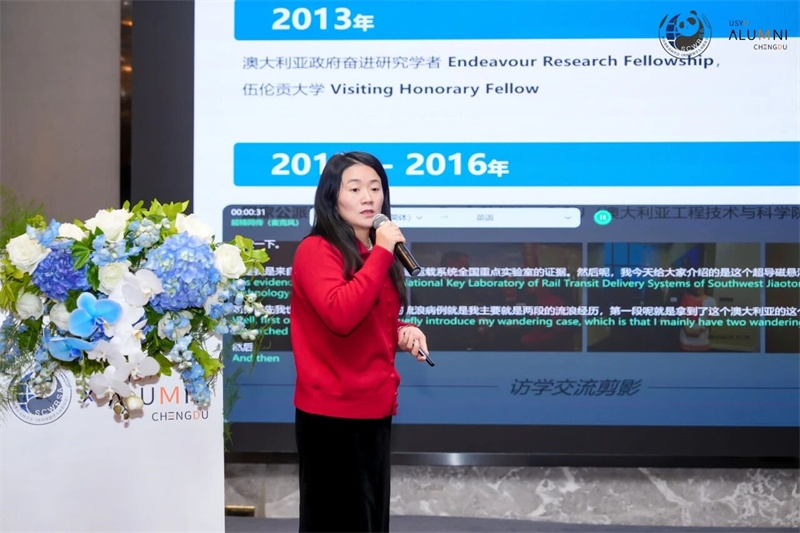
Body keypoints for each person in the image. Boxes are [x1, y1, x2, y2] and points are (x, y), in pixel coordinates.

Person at [289, 151, 430, 532]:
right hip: (332, 416)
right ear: (332, 197)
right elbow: (340, 314)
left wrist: (402, 331)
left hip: (374, 409)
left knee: (369, 521)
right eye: (355, 189)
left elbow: (370, 315)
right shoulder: (317, 250)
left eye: (375, 188)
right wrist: (383, 252)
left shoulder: (374, 252)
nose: (368, 197)